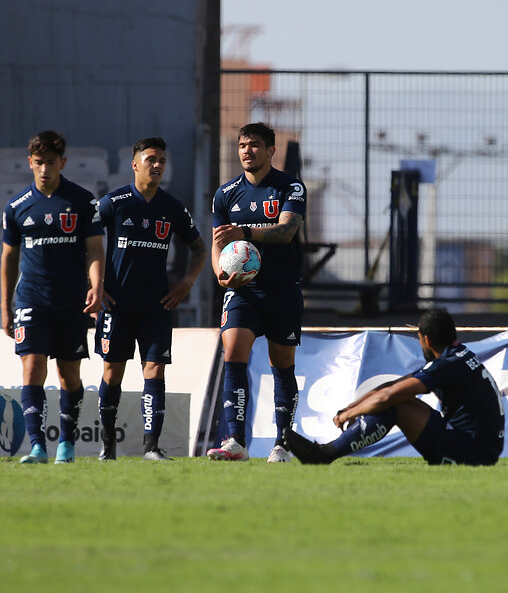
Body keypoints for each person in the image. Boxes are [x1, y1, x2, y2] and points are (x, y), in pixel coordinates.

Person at [93, 137, 206, 461]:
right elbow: (86, 242)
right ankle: (107, 446)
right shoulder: (114, 202)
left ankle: (151, 448)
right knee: (112, 373)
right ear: (135, 164)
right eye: (151, 159)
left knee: (155, 370)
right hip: (117, 305)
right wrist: (95, 284)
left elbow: (198, 248)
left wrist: (186, 282)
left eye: (161, 161)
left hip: (157, 305)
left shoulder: (171, 207)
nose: (157, 165)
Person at [282, 308, 505, 466]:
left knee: (396, 405)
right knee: (397, 398)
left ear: (426, 340)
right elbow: (393, 385)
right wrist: (351, 406)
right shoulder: (457, 356)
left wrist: (350, 413)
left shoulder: (447, 365)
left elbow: (390, 396)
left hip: (473, 453)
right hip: (479, 448)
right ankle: (323, 452)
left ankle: (324, 454)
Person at [1, 130, 104, 464]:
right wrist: (5, 306)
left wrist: (97, 287)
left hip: (71, 301)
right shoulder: (16, 207)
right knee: (32, 369)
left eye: (51, 162)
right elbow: (8, 258)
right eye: (39, 162)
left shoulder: (82, 201)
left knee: (68, 377)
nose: (45, 168)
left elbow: (94, 249)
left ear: (63, 162)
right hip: (31, 300)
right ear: (30, 162)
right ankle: (36, 447)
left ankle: (67, 444)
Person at [207, 122, 307, 462]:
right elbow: (217, 242)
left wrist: (246, 231)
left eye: (254, 145)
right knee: (232, 349)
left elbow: (287, 231)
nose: (247, 151)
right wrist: (220, 274)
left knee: (282, 363)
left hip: (282, 291)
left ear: (270, 151)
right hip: (244, 291)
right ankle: (235, 440)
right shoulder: (226, 194)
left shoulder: (290, 187)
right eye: (242, 145)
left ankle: (283, 443)